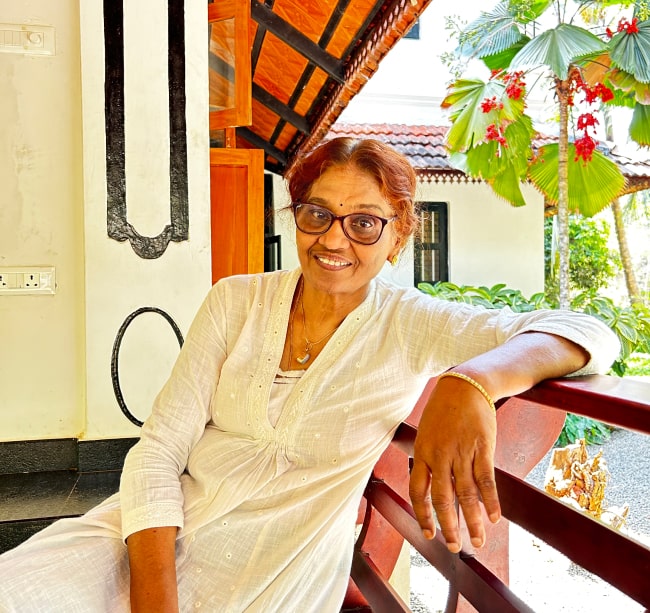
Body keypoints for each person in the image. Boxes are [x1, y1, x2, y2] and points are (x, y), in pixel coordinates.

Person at [0, 137, 619, 612]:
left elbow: (588, 331)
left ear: (398, 237)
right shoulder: (236, 301)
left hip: (274, 575)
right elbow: (158, 450)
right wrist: (154, 600)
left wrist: (471, 382)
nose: (334, 240)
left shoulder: (410, 323)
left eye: (365, 222)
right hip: (147, 540)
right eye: (317, 213)